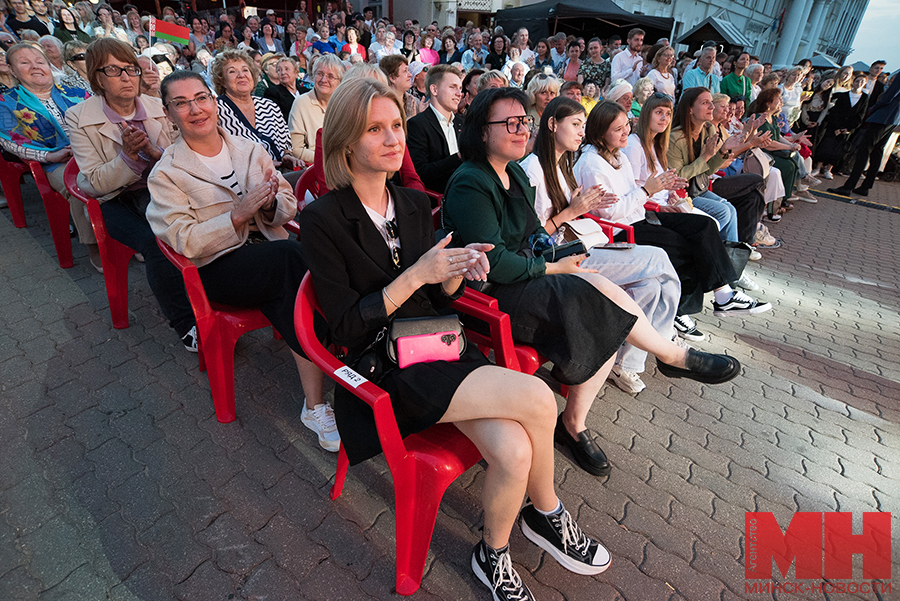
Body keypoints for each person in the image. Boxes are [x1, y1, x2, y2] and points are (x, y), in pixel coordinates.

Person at [301, 75, 613, 601]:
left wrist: (454, 273)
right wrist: (417, 275)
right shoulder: (322, 219)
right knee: (538, 395)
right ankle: (548, 514)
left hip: (439, 345)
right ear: (344, 141)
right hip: (386, 368)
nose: (393, 138)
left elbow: (441, 302)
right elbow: (346, 330)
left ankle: (493, 554)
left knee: (514, 450)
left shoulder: (414, 203)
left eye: (397, 124)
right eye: (374, 129)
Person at [445, 88, 741, 477]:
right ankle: (662, 363)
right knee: (600, 300)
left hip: (526, 275)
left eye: (524, 122)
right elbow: (495, 262)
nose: (521, 131)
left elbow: (535, 235)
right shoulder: (471, 181)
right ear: (482, 131)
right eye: (510, 123)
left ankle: (579, 419)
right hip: (492, 295)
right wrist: (554, 268)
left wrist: (561, 256)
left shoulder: (513, 172)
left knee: (605, 290)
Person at [146, 70, 335, 452]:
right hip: (218, 269)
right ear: (168, 113)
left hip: (268, 258)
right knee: (292, 260)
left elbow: (285, 201)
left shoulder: (248, 148)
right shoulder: (166, 173)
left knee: (288, 286)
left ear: (214, 102)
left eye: (201, 98)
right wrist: (235, 215)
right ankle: (345, 347)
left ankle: (316, 405)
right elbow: (183, 240)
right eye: (181, 103)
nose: (195, 109)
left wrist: (268, 204)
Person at [520, 96, 681, 394]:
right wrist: (573, 209)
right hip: (559, 258)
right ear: (553, 124)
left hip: (578, 243)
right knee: (659, 258)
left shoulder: (563, 164)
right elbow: (533, 236)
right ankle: (665, 348)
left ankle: (628, 365)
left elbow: (575, 213)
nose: (581, 132)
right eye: (575, 124)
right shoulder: (533, 169)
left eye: (583, 125)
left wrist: (581, 205)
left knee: (651, 286)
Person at [576, 100, 771, 342]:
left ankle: (724, 294)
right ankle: (681, 311)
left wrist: (657, 196)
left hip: (641, 216)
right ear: (599, 132)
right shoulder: (592, 163)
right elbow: (611, 213)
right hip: (621, 231)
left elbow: (635, 194)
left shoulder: (619, 155)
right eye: (618, 129)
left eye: (626, 125)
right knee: (686, 248)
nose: (626, 131)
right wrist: (648, 192)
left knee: (704, 226)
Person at [65, 38, 197, 351]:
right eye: (114, 70)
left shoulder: (156, 106)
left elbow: (182, 155)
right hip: (115, 199)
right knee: (155, 242)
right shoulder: (78, 116)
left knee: (200, 219)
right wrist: (127, 158)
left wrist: (155, 152)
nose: (127, 77)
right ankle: (186, 324)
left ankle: (217, 296)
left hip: (161, 188)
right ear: (97, 77)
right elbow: (92, 182)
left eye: (131, 69)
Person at [0, 43, 98, 269]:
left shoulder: (76, 92)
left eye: (40, 61)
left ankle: (131, 237)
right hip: (57, 162)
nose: (35, 66)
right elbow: (11, 142)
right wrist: (49, 156)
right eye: (25, 62)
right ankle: (94, 245)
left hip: (95, 151)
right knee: (81, 186)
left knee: (126, 174)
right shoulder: (6, 103)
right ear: (13, 70)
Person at [213, 49, 298, 177]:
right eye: (232, 71)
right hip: (245, 179)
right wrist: (260, 165)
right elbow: (218, 157)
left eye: (245, 70)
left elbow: (286, 144)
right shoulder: (216, 111)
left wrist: (287, 156)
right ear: (222, 81)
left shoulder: (269, 105)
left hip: (282, 174)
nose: (241, 75)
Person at [827, 72, 900, 198]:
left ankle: (849, 186)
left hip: (883, 116)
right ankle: (866, 186)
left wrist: (874, 108)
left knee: (864, 150)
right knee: (877, 150)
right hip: (894, 118)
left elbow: (889, 95)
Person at [747, 88, 805, 213]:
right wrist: (789, 147)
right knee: (786, 165)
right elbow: (767, 143)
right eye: (778, 100)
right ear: (768, 103)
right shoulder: (760, 118)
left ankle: (783, 198)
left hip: (772, 152)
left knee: (792, 163)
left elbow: (778, 137)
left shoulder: (772, 118)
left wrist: (792, 142)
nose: (781, 102)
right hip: (763, 154)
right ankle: (774, 204)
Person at [406, 64, 463, 194]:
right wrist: (458, 157)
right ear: (434, 90)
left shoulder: (462, 123)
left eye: (460, 88)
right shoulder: (417, 125)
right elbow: (420, 173)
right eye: (452, 87)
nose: (459, 93)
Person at [289, 53, 343, 163]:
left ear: (340, 81)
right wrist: (327, 161)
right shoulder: (301, 103)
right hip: (314, 166)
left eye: (330, 76)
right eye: (320, 74)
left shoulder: (345, 104)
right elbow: (296, 149)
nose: (323, 80)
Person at [813, 73, 867, 180]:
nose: (859, 83)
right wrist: (837, 128)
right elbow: (835, 112)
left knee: (838, 150)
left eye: (862, 82)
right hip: (834, 126)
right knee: (826, 146)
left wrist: (848, 129)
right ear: (853, 82)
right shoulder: (843, 95)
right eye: (857, 81)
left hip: (846, 130)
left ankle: (828, 169)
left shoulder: (864, 98)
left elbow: (860, 115)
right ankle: (818, 168)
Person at [264, 56, 303, 122]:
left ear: (296, 73)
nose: (283, 73)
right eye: (279, 70)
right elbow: (277, 118)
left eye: (287, 69)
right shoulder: (272, 93)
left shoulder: (306, 92)